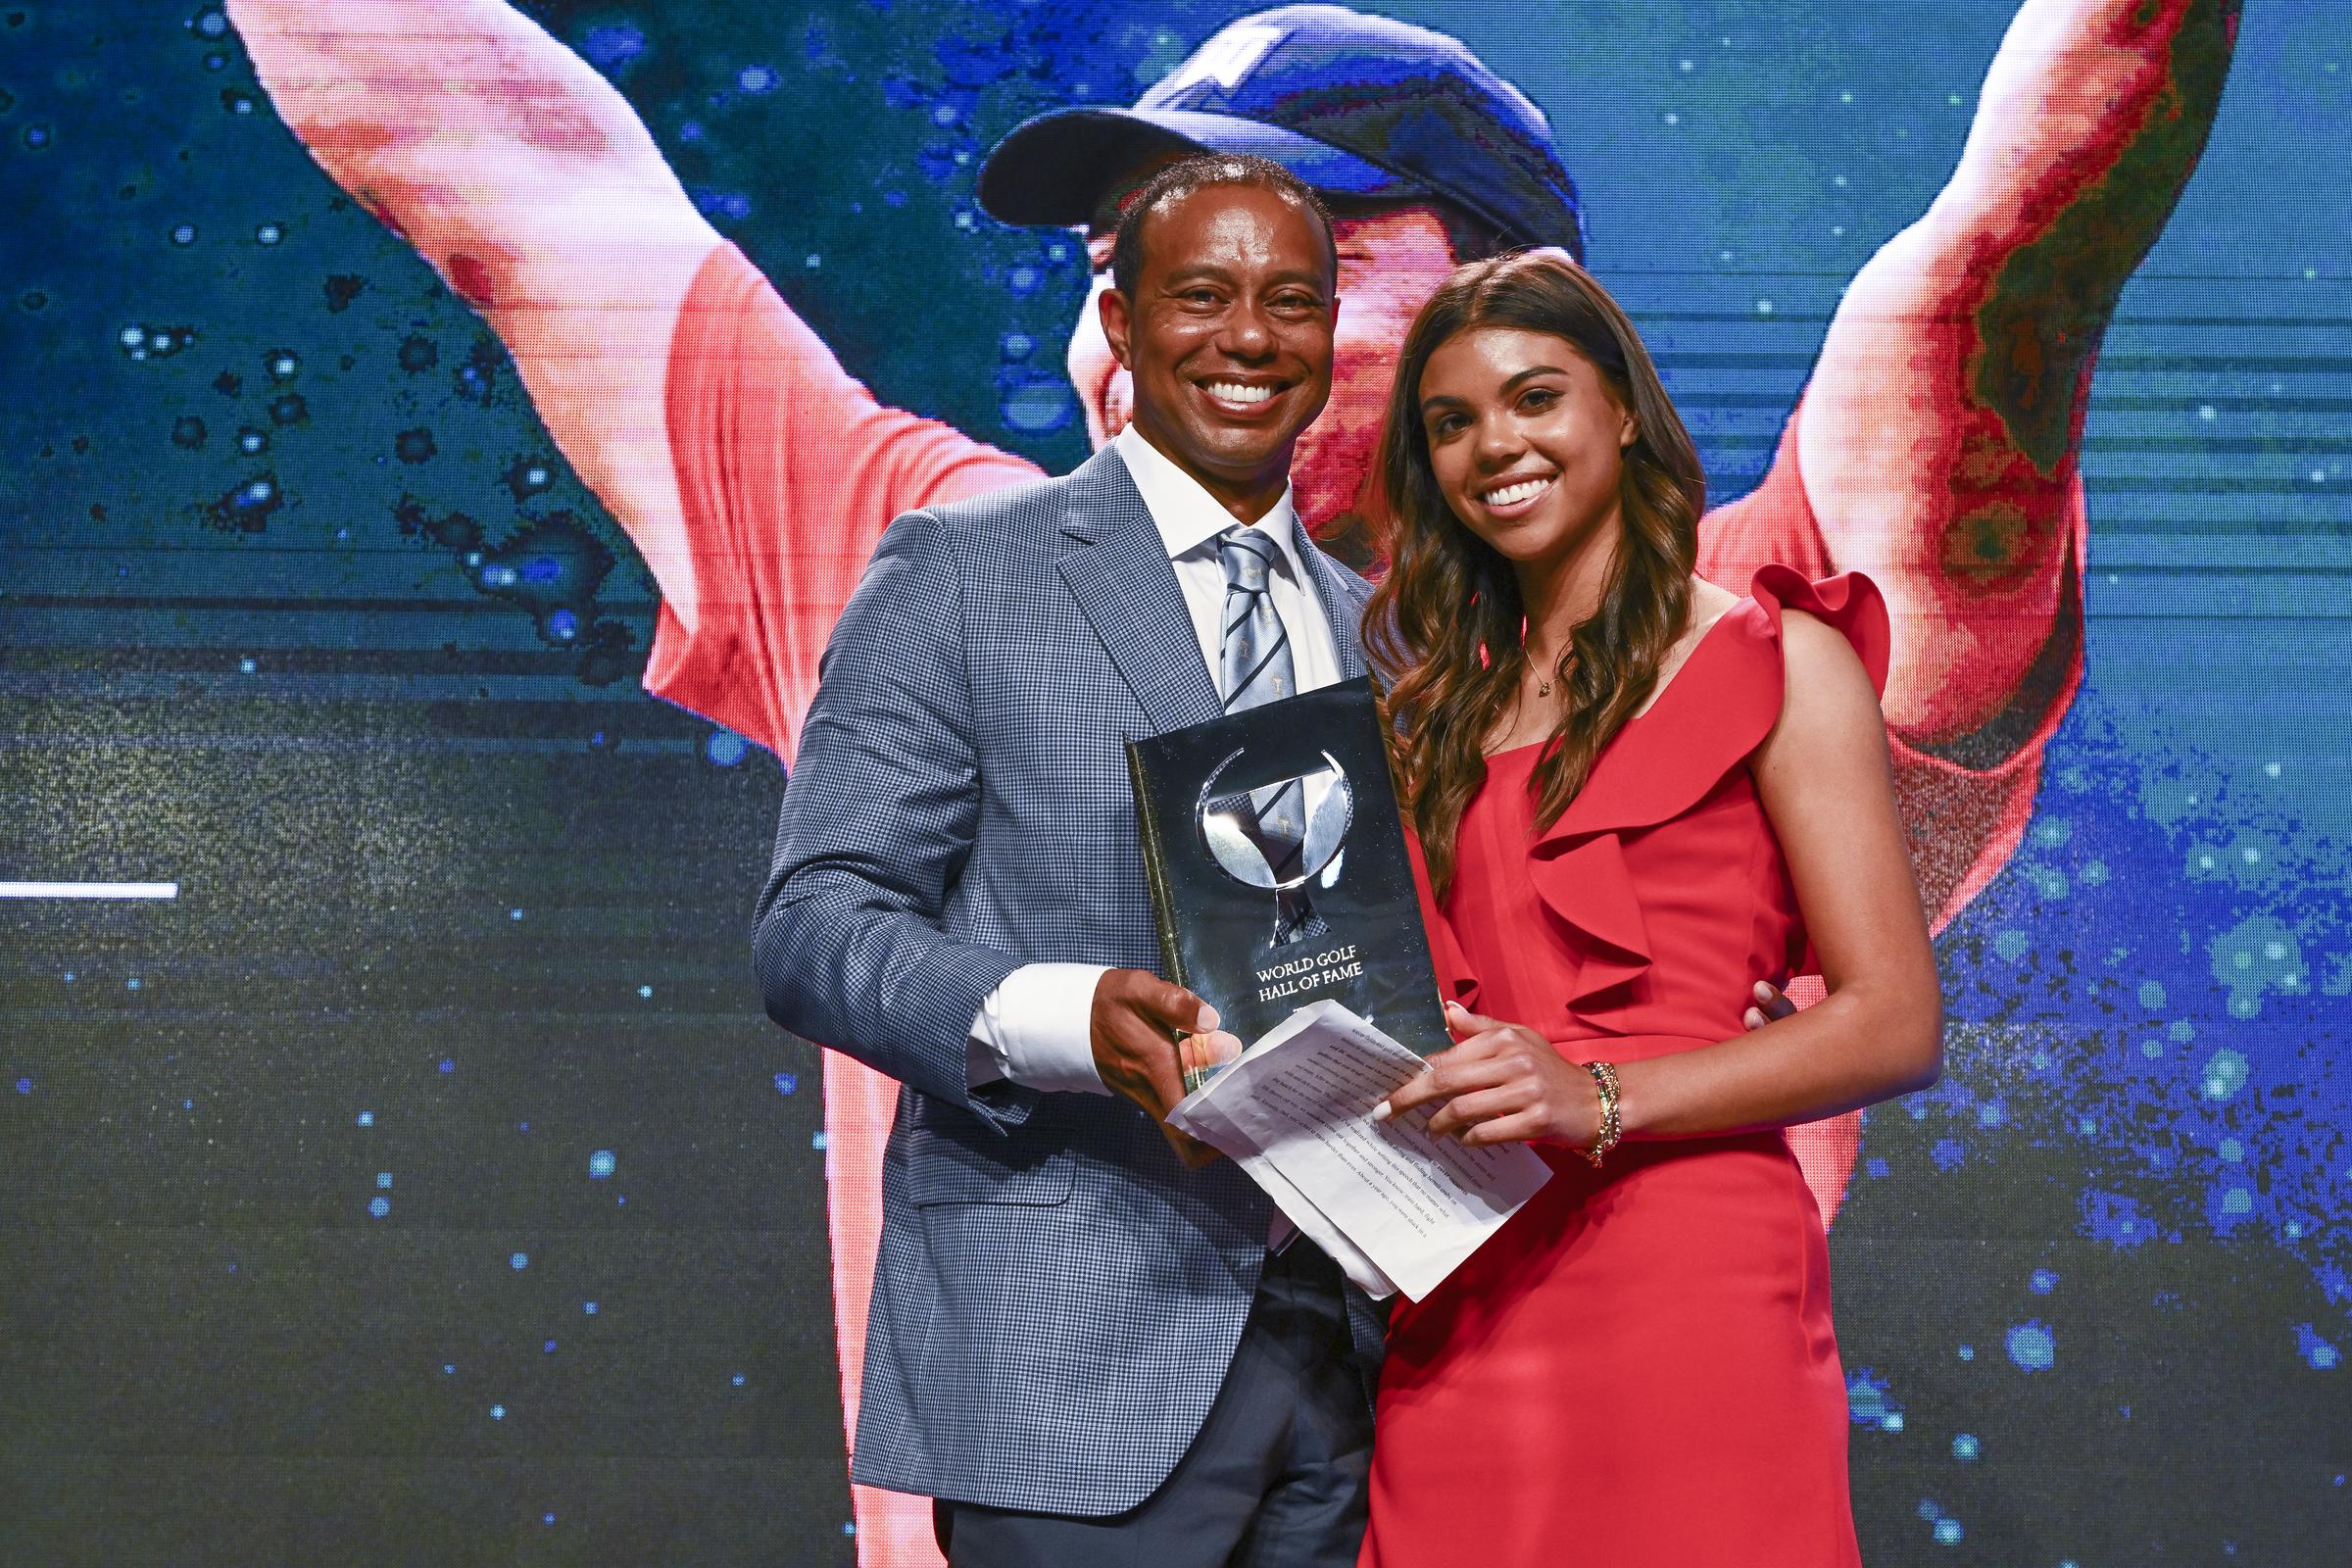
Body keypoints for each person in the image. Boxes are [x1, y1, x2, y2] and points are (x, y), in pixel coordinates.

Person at [220, 3, 2236, 1556]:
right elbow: (513, 167)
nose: (1155, 314)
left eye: (1293, 243)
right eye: (1125, 263)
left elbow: (2017, 243)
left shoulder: (1738, 640)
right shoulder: (941, 566)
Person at [756, 155, 1385, 1566]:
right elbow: (815, 924)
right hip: (1075, 1368)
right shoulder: (963, 570)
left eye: (1291, 300)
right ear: (1118, 313)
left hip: (1356, 1370)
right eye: (1202, 294)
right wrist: (1059, 1019)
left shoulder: (1381, 634)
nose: (1247, 338)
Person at [1361, 249, 1942, 1564]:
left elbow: (1895, 1021)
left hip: (1690, 1279)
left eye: (1533, 397)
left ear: (1620, 410)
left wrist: (1601, 1096)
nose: (1492, 445)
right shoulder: (1413, 728)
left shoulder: (1778, 661)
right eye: (1449, 423)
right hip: (1462, 1286)